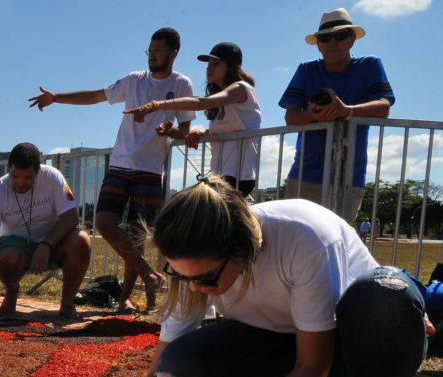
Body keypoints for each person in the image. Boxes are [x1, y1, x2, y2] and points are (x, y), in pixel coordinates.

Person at [84, 174, 428, 377]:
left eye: (206, 278)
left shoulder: (300, 237)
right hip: (284, 341)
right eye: (180, 274)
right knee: (179, 368)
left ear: (243, 251)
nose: (196, 289)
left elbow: (313, 364)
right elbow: (159, 373)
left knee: (387, 296)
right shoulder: (197, 268)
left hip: (357, 350)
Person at [30, 27, 194, 313]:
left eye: (158, 51)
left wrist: (171, 131)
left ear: (173, 53)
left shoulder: (182, 83)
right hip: (120, 164)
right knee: (104, 223)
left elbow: (185, 131)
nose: (152, 56)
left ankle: (125, 300)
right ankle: (148, 275)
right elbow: (96, 96)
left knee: (137, 236)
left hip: (151, 169)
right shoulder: (133, 80)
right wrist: (56, 98)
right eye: (150, 50)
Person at [279, 8, 394, 223]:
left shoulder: (369, 65)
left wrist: (347, 111)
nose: (332, 42)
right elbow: (291, 117)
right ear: (318, 44)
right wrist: (313, 116)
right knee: (296, 246)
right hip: (305, 174)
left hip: (348, 178)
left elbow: (384, 106)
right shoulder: (306, 70)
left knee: (337, 245)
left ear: (351, 39)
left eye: (340, 35)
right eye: (325, 38)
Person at [0, 142, 92, 320]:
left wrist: (47, 244)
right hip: (16, 247)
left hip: (53, 245)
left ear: (38, 170)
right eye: (15, 176)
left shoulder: (53, 177)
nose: (20, 183)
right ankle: (11, 293)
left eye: (27, 178)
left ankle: (67, 304)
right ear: (9, 169)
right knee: (7, 258)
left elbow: (71, 218)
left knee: (81, 240)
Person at [127, 42, 261, 197]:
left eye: (216, 64)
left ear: (231, 67)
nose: (209, 69)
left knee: (194, 210)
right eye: (208, 64)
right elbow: (230, 128)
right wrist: (201, 132)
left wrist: (157, 105)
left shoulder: (240, 88)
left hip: (239, 174)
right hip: (222, 174)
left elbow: (200, 103)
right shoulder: (223, 98)